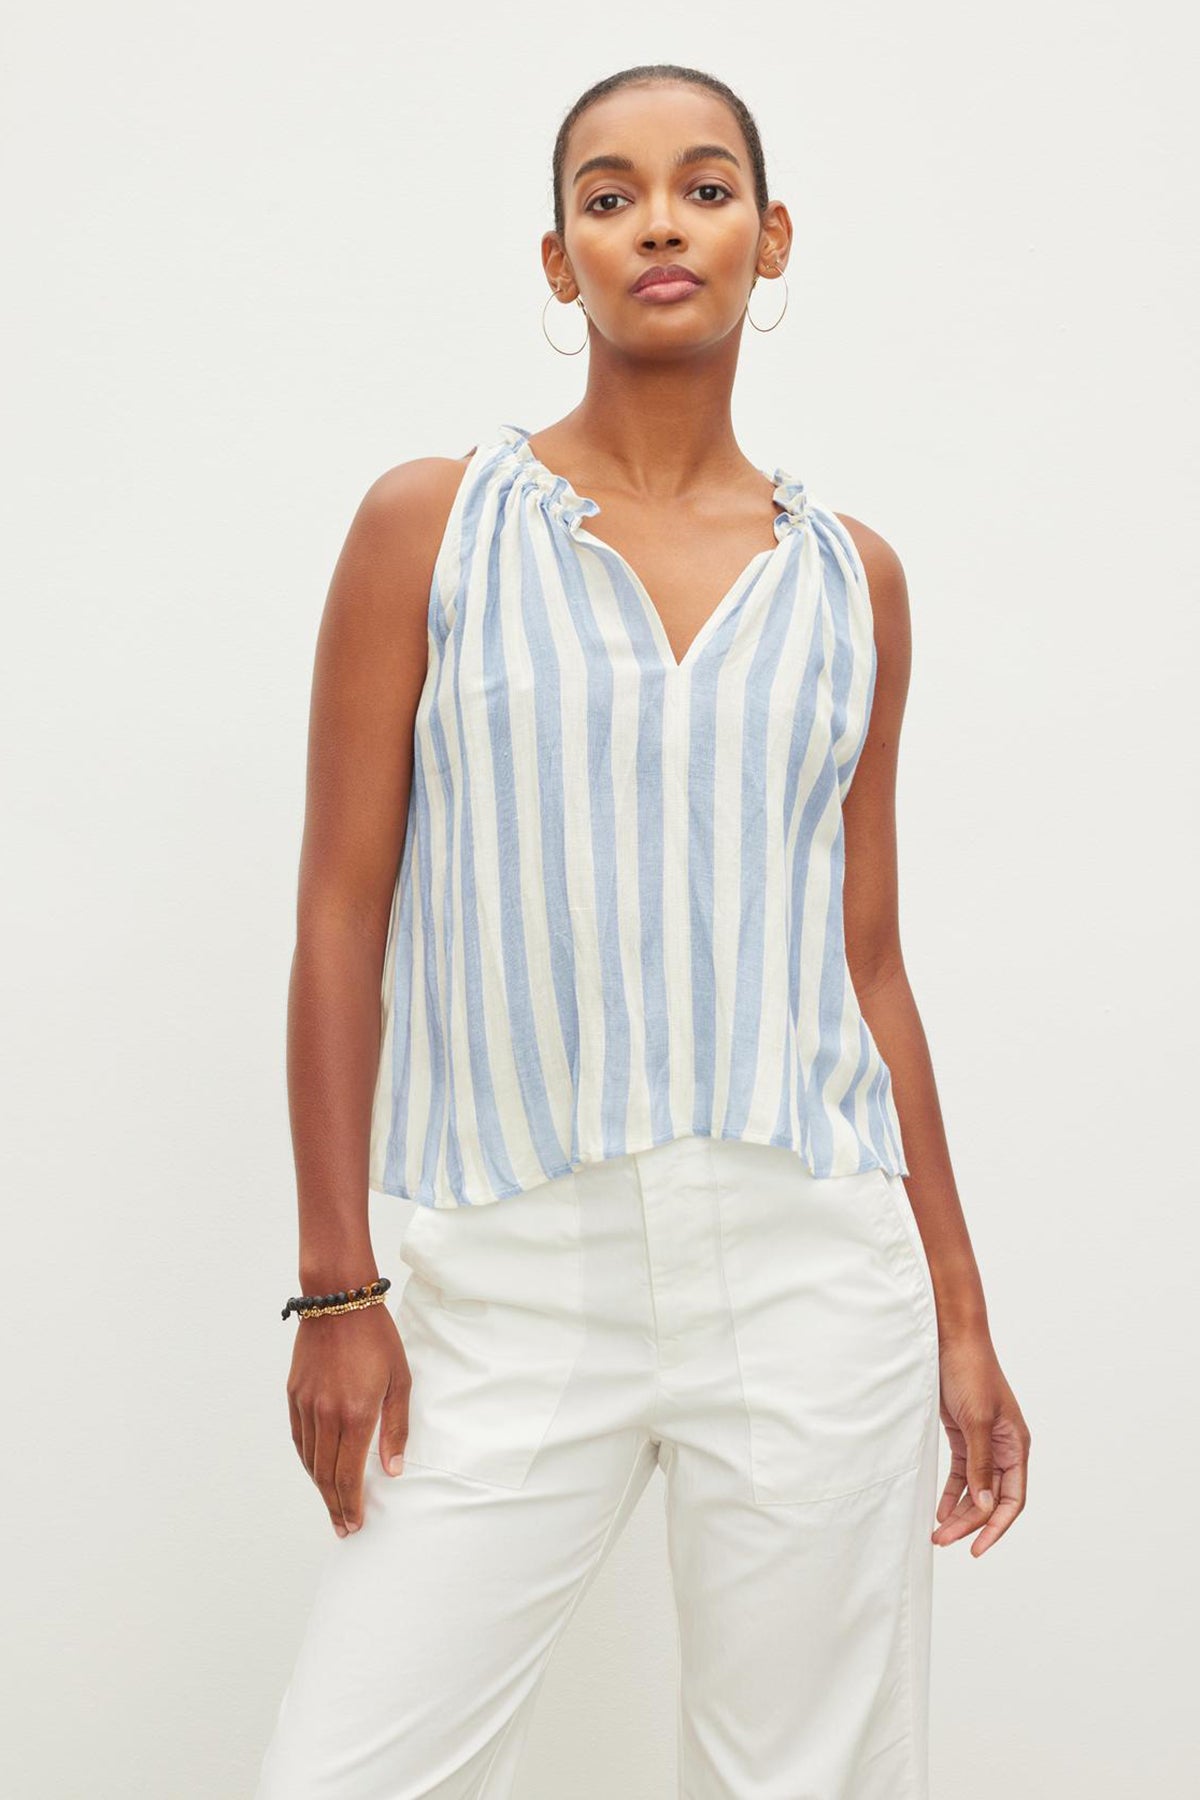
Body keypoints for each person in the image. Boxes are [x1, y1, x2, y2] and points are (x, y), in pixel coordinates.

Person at [255, 61, 1031, 1800]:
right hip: (508, 1271)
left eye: (701, 187)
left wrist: (962, 1319)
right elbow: (336, 914)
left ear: (771, 238)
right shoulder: (432, 528)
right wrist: (333, 1286)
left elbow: (870, 965)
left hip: (815, 1264)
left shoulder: (853, 582)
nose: (659, 221)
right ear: (558, 262)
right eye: (610, 197)